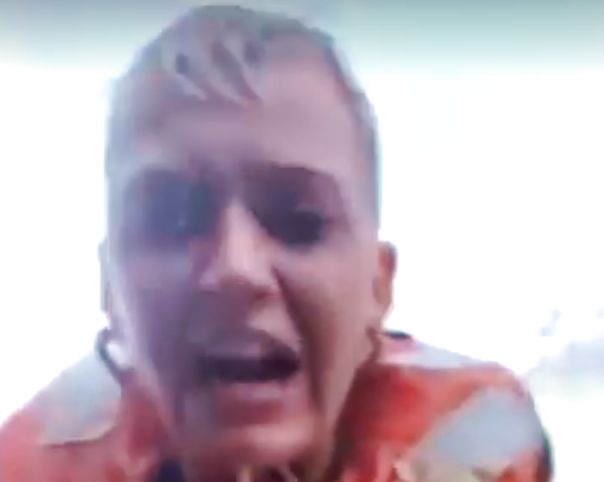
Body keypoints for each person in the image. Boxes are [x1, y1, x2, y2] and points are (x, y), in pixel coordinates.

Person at [0, 5, 551, 482]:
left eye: (300, 222)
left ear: (378, 287)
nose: (234, 268)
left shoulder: (481, 444)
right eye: (171, 221)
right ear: (110, 292)